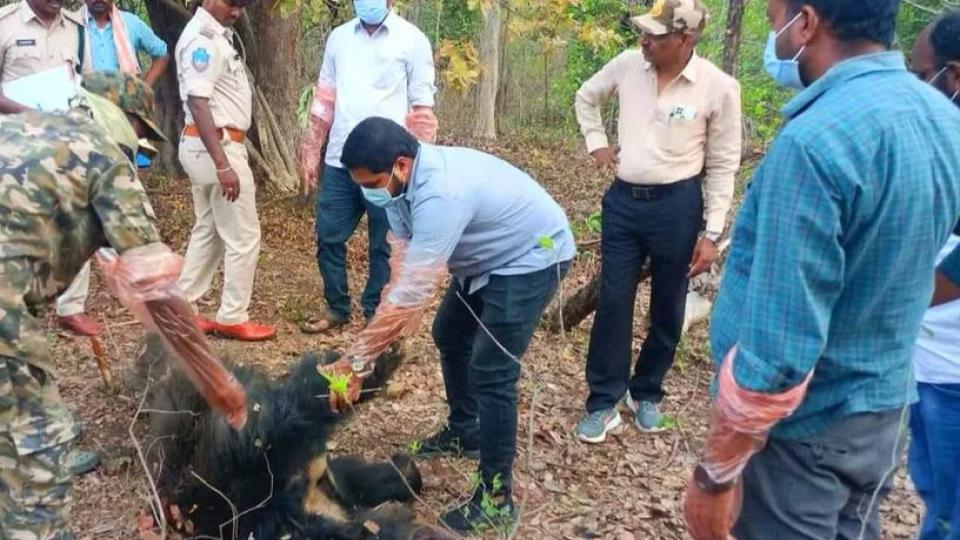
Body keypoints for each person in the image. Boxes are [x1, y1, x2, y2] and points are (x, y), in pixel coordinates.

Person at [682, 1, 960, 539]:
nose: (774, 34)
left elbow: (778, 358)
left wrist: (716, 476)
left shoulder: (815, 143)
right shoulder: (943, 120)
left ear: (805, 23)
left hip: (807, 437)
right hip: (884, 413)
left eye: (774, 19)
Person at [0, 71, 245, 540]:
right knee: (36, 453)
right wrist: (218, 382)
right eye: (140, 133)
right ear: (128, 118)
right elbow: (158, 292)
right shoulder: (103, 158)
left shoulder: (26, 128)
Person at [323, 117, 574, 533]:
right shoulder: (400, 191)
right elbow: (402, 272)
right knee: (450, 334)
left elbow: (414, 292)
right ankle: (465, 428)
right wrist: (367, 350)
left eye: (373, 181)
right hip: (482, 260)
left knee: (493, 370)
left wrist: (356, 360)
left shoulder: (441, 194)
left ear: (401, 165)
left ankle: (495, 498)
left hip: (530, 256)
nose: (368, 191)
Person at [572, 0, 741, 441]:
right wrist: (597, 143)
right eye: (643, 33)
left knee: (669, 303)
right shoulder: (629, 65)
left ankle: (646, 391)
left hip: (678, 205)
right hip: (624, 202)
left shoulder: (717, 87)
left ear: (684, 40)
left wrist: (712, 233)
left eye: (656, 36)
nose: (644, 41)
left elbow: (724, 164)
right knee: (613, 299)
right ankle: (603, 400)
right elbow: (586, 96)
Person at [297, 0, 437, 334]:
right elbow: (324, 99)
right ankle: (336, 306)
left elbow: (422, 109)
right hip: (339, 160)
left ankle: (376, 312)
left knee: (384, 244)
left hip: (388, 166)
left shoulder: (413, 40)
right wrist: (311, 147)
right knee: (328, 236)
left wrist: (420, 168)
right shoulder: (339, 38)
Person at [0, 0, 112, 337]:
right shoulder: (5, 24)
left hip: (63, 145)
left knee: (74, 215)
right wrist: (33, 115)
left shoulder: (76, 30)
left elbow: (86, 85)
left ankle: (71, 308)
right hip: (16, 150)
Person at [174, 0, 275, 341]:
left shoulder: (217, 34)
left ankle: (183, 308)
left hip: (207, 146)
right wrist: (223, 164)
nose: (237, 12)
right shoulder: (203, 40)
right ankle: (232, 315)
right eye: (232, 3)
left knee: (210, 230)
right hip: (217, 148)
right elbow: (198, 102)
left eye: (242, 5)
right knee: (243, 235)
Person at [906, 11, 960, 540]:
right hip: (928, 361)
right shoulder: (946, 140)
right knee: (936, 497)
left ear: (955, 76)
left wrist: (893, 303)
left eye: (923, 77)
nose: (916, 89)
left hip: (954, 374)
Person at [80, 0, 168, 84]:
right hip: (82, 98)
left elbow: (162, 54)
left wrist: (145, 88)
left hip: (125, 98)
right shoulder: (73, 25)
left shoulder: (131, 23)